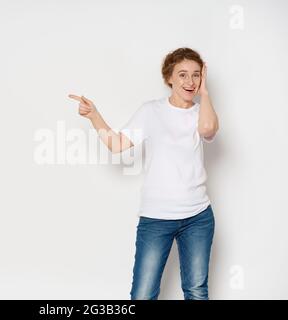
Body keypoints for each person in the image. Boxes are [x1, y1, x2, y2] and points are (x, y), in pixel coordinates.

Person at [68, 47, 219, 300]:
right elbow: (116, 145)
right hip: (156, 218)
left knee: (196, 290)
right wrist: (94, 116)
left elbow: (207, 130)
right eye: (182, 75)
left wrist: (205, 94)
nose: (189, 81)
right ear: (169, 78)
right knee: (143, 294)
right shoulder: (151, 111)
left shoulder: (201, 112)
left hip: (198, 217)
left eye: (195, 75)